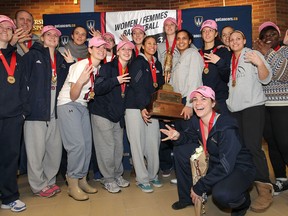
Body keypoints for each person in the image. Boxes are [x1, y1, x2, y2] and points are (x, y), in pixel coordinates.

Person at [161, 85, 256, 216]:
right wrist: (178, 136)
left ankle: (243, 202)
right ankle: (186, 199)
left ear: (213, 103)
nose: (198, 103)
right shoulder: (197, 121)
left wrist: (199, 187)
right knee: (180, 150)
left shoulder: (226, 126)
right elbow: (190, 137)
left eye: (203, 99)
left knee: (222, 194)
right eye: (195, 99)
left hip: (240, 166)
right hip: (218, 162)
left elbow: (226, 165)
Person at [21, 25, 73, 198]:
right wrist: (25, 108)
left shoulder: (60, 58)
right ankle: (38, 185)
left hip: (55, 113)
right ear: (42, 38)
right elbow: (22, 83)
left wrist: (70, 65)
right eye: (48, 34)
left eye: (55, 35)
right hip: (36, 112)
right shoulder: (32, 56)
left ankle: (50, 181)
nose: (52, 37)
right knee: (36, 151)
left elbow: (67, 83)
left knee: (54, 150)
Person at [57, 36, 108, 201]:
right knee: (77, 145)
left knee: (86, 146)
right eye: (97, 47)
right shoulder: (81, 66)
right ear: (90, 49)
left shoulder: (97, 68)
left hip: (82, 106)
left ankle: (82, 180)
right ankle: (72, 184)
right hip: (68, 104)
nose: (101, 50)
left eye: (104, 48)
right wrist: (80, 81)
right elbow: (72, 95)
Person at [227, 30, 273, 212]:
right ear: (229, 43)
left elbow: (266, 78)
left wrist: (260, 63)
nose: (235, 41)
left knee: (253, 146)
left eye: (238, 38)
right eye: (232, 39)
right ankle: (247, 182)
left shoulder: (253, 54)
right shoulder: (232, 59)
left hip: (253, 107)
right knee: (242, 149)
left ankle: (265, 189)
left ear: (244, 40)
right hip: (235, 110)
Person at [90, 41, 134, 193]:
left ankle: (117, 175)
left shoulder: (129, 70)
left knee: (118, 147)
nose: (127, 52)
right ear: (117, 51)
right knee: (106, 148)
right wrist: (116, 80)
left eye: (129, 49)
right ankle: (108, 179)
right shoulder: (108, 67)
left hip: (117, 115)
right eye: (123, 49)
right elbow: (98, 87)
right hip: (102, 113)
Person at [169, 29, 204, 210]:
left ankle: (197, 192)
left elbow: (195, 80)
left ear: (190, 40)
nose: (181, 41)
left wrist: (190, 103)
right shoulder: (176, 58)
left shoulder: (193, 54)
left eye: (184, 38)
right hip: (178, 105)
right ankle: (185, 197)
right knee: (180, 149)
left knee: (190, 150)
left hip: (188, 103)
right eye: (179, 39)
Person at [125, 36, 164, 193]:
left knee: (154, 141)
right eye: (149, 44)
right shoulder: (137, 63)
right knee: (137, 143)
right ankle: (142, 178)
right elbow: (137, 85)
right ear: (143, 46)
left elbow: (159, 87)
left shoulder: (158, 63)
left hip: (151, 108)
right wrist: (142, 107)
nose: (152, 46)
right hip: (135, 107)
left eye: (154, 44)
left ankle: (153, 174)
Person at [253, 21, 288, 195]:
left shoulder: (285, 51)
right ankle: (281, 179)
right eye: (265, 36)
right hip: (264, 105)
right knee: (272, 144)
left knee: (285, 143)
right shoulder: (257, 55)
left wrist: (267, 53)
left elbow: (285, 74)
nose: (269, 38)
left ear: (279, 35)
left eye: (272, 34)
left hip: (283, 105)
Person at [0, 14, 27, 213]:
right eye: (1, 27)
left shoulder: (16, 56)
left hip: (13, 116)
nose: (5, 30)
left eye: (8, 28)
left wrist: (22, 112)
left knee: (10, 157)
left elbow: (24, 86)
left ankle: (9, 197)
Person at [156, 17, 180, 178]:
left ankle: (180, 164)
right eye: (167, 25)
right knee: (163, 126)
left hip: (178, 90)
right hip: (164, 90)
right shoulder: (158, 46)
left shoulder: (183, 44)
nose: (169, 27)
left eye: (172, 24)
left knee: (179, 127)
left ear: (176, 27)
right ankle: (165, 164)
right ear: (164, 29)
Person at [199, 19, 231, 114]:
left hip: (220, 100)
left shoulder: (223, 51)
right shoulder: (197, 54)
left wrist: (219, 62)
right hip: (202, 100)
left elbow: (227, 77)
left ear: (216, 34)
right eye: (204, 31)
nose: (207, 33)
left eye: (211, 30)